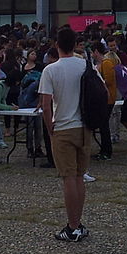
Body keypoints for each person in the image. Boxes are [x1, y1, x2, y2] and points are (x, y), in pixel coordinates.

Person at [40, 26, 90, 241]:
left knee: (68, 177)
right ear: (75, 44)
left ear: (57, 45)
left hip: (62, 126)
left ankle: (72, 226)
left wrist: (49, 127)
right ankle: (78, 223)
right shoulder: (85, 65)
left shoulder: (51, 70)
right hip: (83, 126)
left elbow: (46, 104)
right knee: (79, 175)